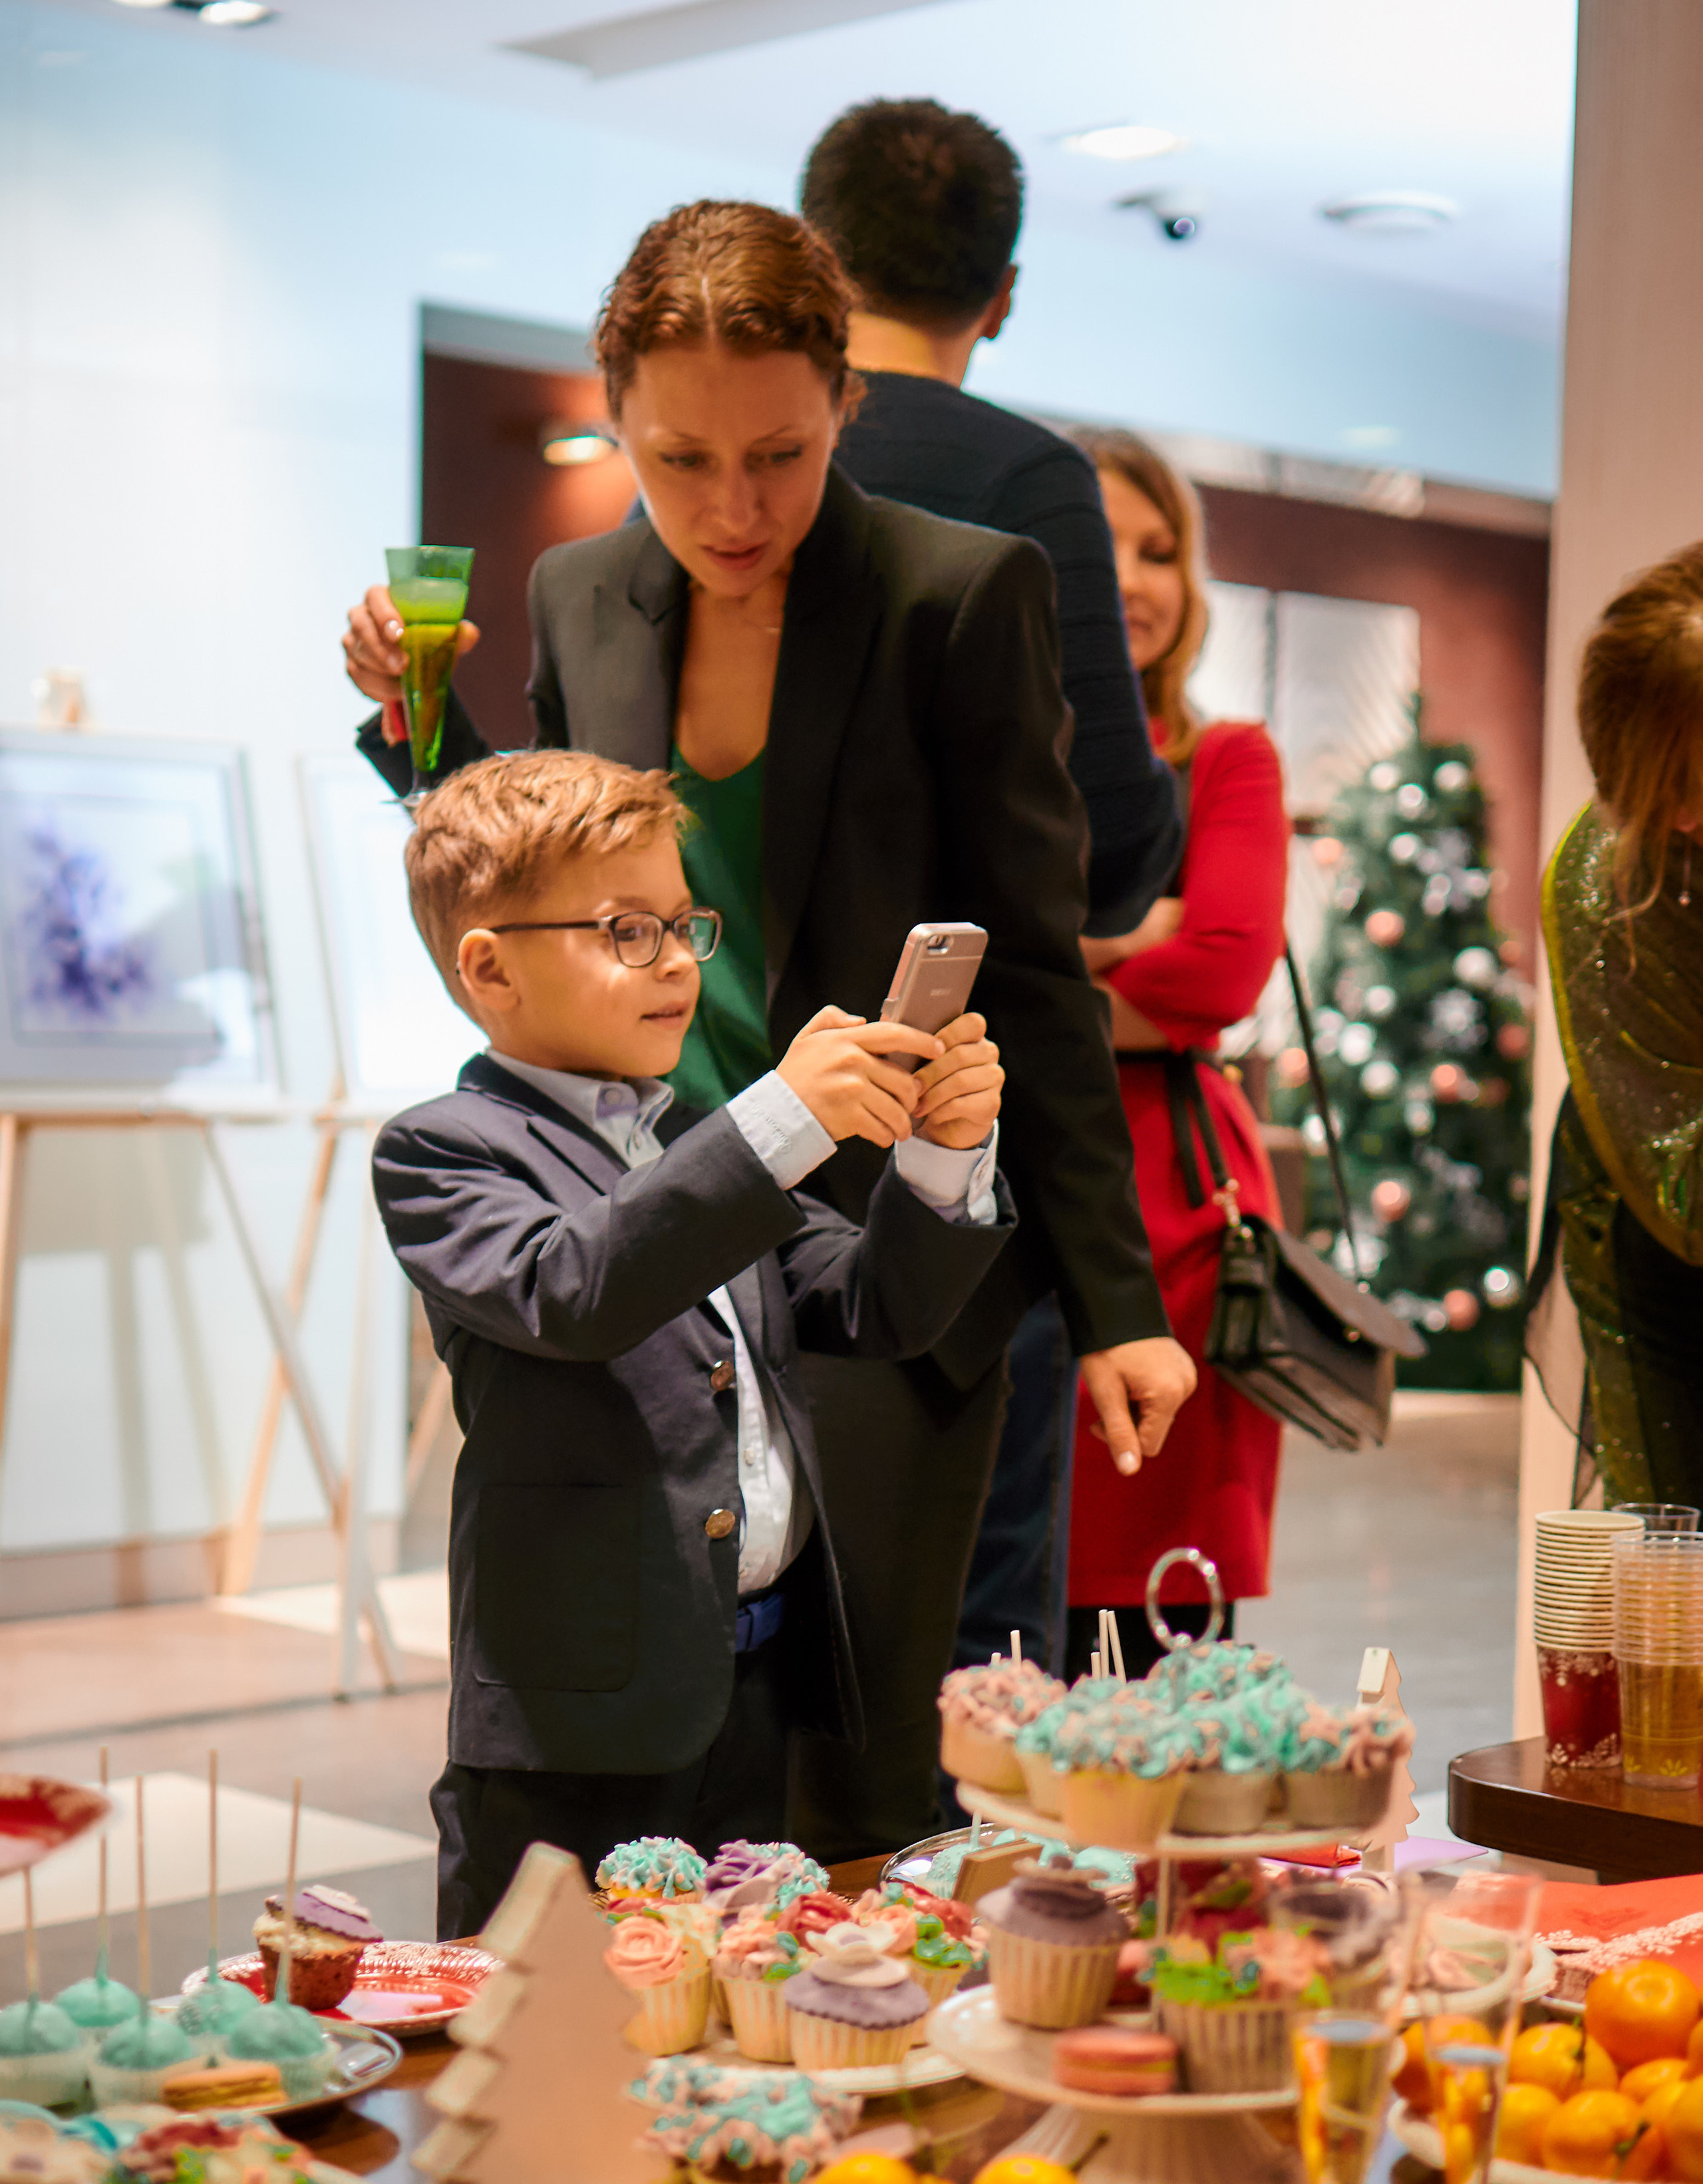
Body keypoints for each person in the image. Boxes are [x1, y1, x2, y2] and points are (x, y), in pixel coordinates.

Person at [343, 202, 1195, 1862]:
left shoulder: (958, 591)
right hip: (662, 1221)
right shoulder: (581, 589)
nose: (732, 508)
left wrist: (1116, 1305)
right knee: (665, 1710)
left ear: (842, 407)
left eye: (780, 455)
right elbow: (545, 859)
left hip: (880, 1240)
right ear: (616, 416)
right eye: (677, 459)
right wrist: (417, 730)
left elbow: (1032, 963)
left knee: (875, 1759)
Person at [372, 748, 1013, 1933]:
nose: (675, 963)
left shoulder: (698, 1144)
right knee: (549, 2051)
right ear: (488, 966)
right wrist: (782, 1114)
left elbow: (873, 1303)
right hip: (579, 1731)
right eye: (625, 930)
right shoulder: (445, 1150)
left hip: (750, 1694)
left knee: (730, 2013)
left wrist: (940, 1153)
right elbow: (577, 1286)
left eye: (682, 924)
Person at [801, 98, 1181, 1681]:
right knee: (962, 1648)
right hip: (955, 1139)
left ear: (811, 261)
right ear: (1002, 292)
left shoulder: (701, 483)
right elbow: (1089, 850)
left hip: (738, 1123)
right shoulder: (1026, 478)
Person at [1064, 433, 1288, 1680]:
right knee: (1008, 1611)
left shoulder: (1226, 758)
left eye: (1161, 551)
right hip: (1013, 1190)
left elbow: (1219, 974)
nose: (1138, 580)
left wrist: (1048, 971)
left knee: (1166, 1635)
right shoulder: (996, 752)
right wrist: (1130, 935)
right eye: (1104, 546)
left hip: (1181, 1216)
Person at [1528, 542, 1703, 1508]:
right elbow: (1685, 1182)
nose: (1679, 818)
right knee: (1678, 1588)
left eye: (1697, 778)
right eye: (1654, 788)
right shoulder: (1610, 889)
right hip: (1661, 1217)